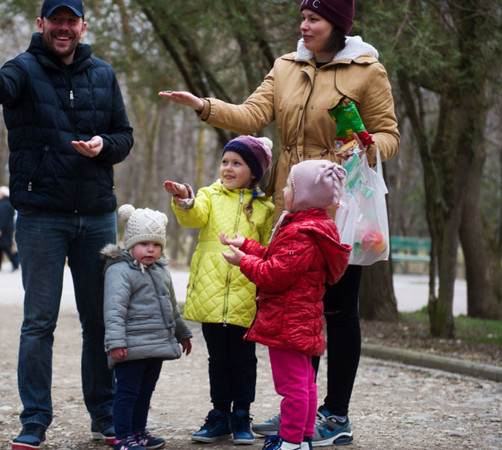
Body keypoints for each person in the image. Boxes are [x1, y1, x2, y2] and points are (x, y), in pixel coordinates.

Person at [159, 0, 400, 445]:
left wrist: (366, 145)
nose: (304, 26)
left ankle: (336, 414)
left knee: (339, 310)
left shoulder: (367, 70)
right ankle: (302, 409)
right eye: (303, 18)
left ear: (338, 26)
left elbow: (389, 135)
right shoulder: (287, 66)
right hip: (289, 206)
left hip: (339, 205)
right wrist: (204, 106)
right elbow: (252, 115)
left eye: (314, 19)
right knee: (297, 309)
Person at [0, 0, 134, 448]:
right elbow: (0, 88)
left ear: (83, 26)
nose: (64, 28)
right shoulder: (24, 68)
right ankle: (34, 421)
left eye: (72, 21)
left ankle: (105, 415)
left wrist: (101, 145)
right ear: (42, 24)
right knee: (38, 323)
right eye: (57, 21)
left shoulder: (103, 75)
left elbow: (124, 137)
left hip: (95, 216)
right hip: (40, 218)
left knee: (99, 321)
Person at [221, 160, 352, 450]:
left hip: (287, 322)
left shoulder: (300, 232)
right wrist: (246, 244)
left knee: (292, 387)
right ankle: (303, 436)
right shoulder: (313, 227)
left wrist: (243, 262)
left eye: (290, 185)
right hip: (302, 320)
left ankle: (291, 440)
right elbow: (278, 257)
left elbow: (274, 275)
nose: (283, 189)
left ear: (305, 195)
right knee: (306, 384)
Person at [163, 135, 274, 445]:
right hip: (211, 295)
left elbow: (267, 250)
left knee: (244, 359)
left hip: (245, 295)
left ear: (253, 171)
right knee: (217, 359)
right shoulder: (209, 195)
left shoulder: (264, 207)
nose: (228, 168)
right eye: (225, 161)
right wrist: (184, 199)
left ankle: (242, 415)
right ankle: (219, 414)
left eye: (237, 163)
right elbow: (193, 215)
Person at [101, 204, 193, 450]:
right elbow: (114, 310)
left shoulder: (160, 271)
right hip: (130, 347)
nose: (150, 249)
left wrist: (182, 333)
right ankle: (122, 436)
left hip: (156, 345)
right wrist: (116, 342)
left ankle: (139, 431)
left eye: (156, 244)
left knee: (145, 393)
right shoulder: (120, 271)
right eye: (144, 244)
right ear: (130, 243)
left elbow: (171, 306)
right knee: (128, 392)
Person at [0, 186, 19, 272]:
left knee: (6, 248)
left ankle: (15, 264)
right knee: (0, 248)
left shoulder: (4, 205)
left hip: (3, 230)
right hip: (5, 229)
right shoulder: (6, 203)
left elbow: (3, 218)